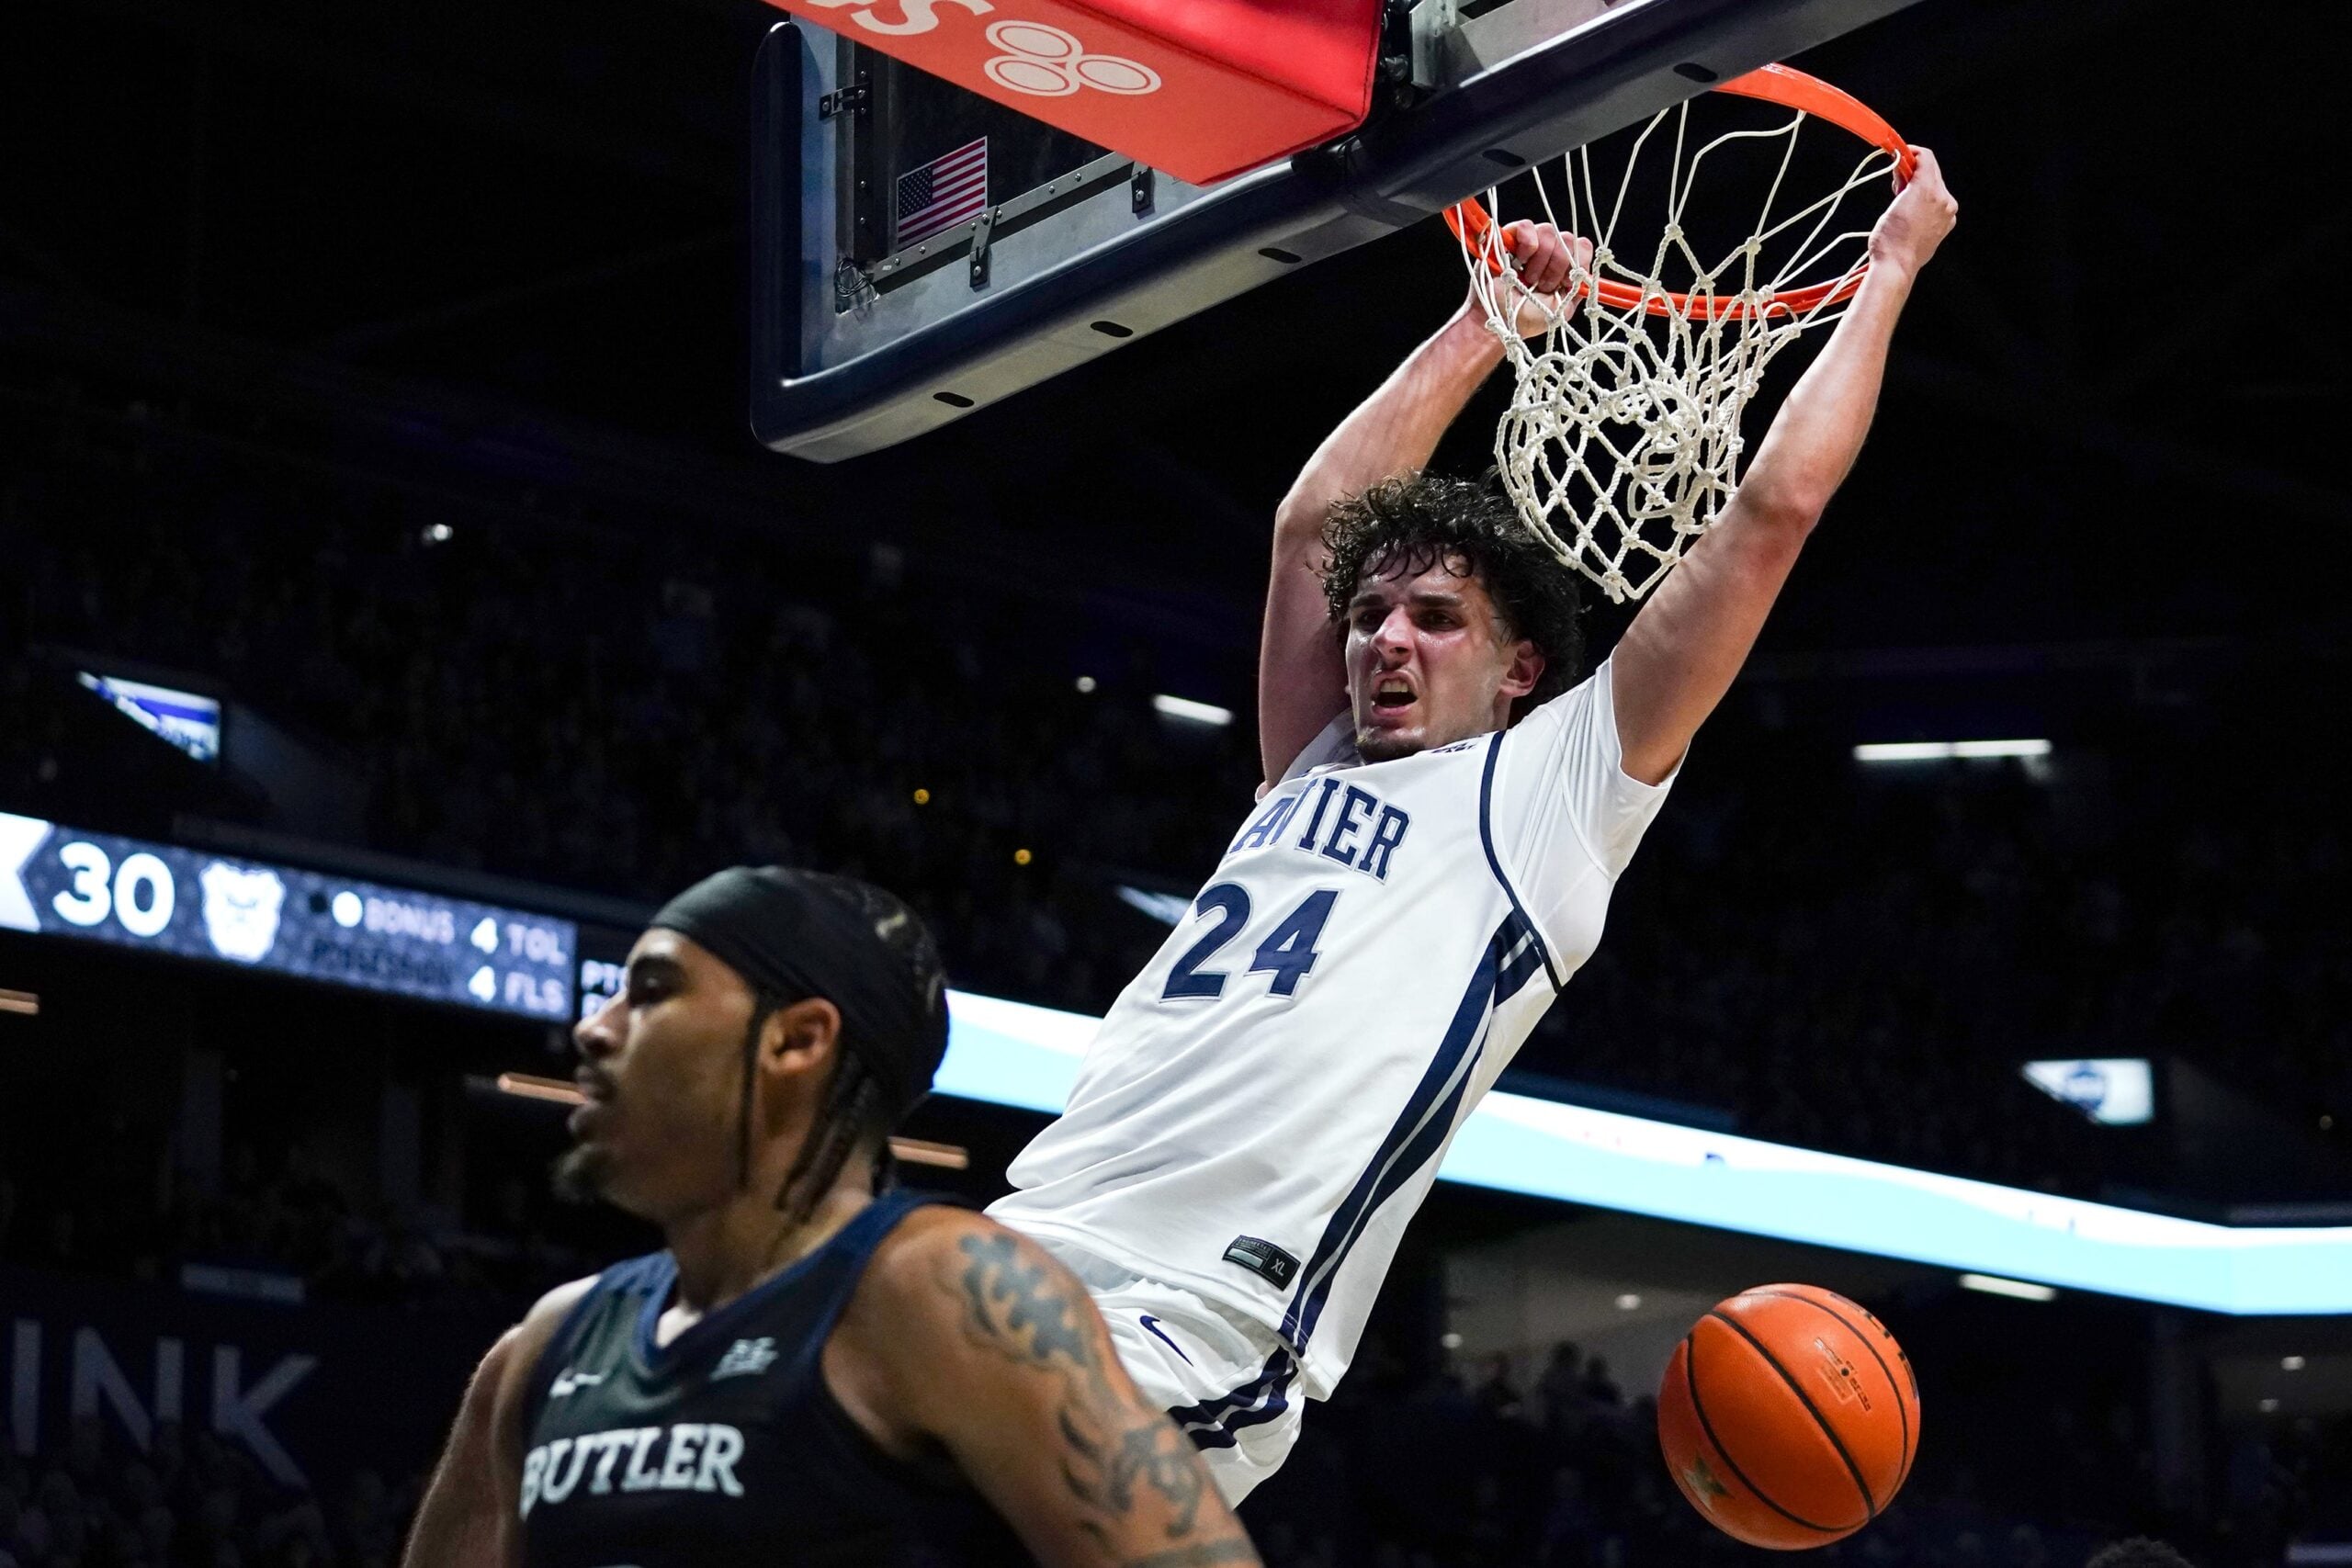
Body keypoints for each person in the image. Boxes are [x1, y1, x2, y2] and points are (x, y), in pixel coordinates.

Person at [988, 155, 1960, 1503]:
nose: (1383, 634)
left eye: (1433, 618)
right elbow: (1312, 525)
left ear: (1518, 670)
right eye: (1374, 612)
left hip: (1190, 1318)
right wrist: (1483, 323)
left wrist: (1892, 268)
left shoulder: (1553, 793)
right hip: (1015, 1245)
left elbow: (1769, 515)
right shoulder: (1310, 760)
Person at [401, 865, 1260, 1568]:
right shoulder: (544, 1351)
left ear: (798, 1040)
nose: (593, 1028)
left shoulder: (946, 1291)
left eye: (653, 989)